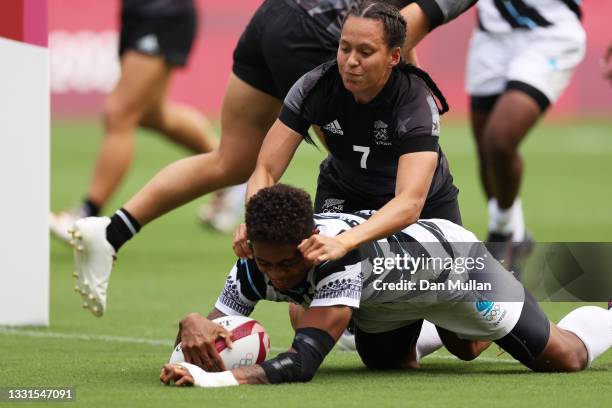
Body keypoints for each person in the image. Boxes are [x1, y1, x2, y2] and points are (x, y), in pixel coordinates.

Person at [68, 0, 480, 317]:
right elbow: (402, 41)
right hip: (320, 29)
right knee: (367, 162)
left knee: (230, 160)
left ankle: (112, 231)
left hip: (273, 18)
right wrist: (414, 122)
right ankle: (345, 294)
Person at [160, 184, 612, 387]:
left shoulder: (337, 258)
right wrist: (191, 324)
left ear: (310, 242)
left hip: (457, 269)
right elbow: (218, 325)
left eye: (287, 263)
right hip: (391, 294)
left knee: (566, 358)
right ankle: (454, 327)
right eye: (265, 263)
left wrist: (214, 382)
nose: (275, 274)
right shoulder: (255, 261)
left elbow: (301, 364)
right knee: (391, 363)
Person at [239, 1, 458, 270]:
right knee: (309, 295)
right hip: (345, 193)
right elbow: (266, 169)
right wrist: (255, 222)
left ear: (394, 56)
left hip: (425, 205)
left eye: (365, 51)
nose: (351, 61)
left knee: (463, 289)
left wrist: (345, 241)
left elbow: (410, 202)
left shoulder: (415, 103)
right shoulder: (314, 86)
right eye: (345, 48)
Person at [50, 0, 218, 242]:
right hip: (136, 10)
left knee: (119, 113)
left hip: (165, 10)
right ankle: (230, 169)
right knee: (151, 114)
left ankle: (86, 214)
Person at [466, 0, 585, 266]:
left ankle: (502, 231)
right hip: (491, 36)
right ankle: (517, 236)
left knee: (499, 140)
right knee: (487, 154)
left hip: (549, 35)